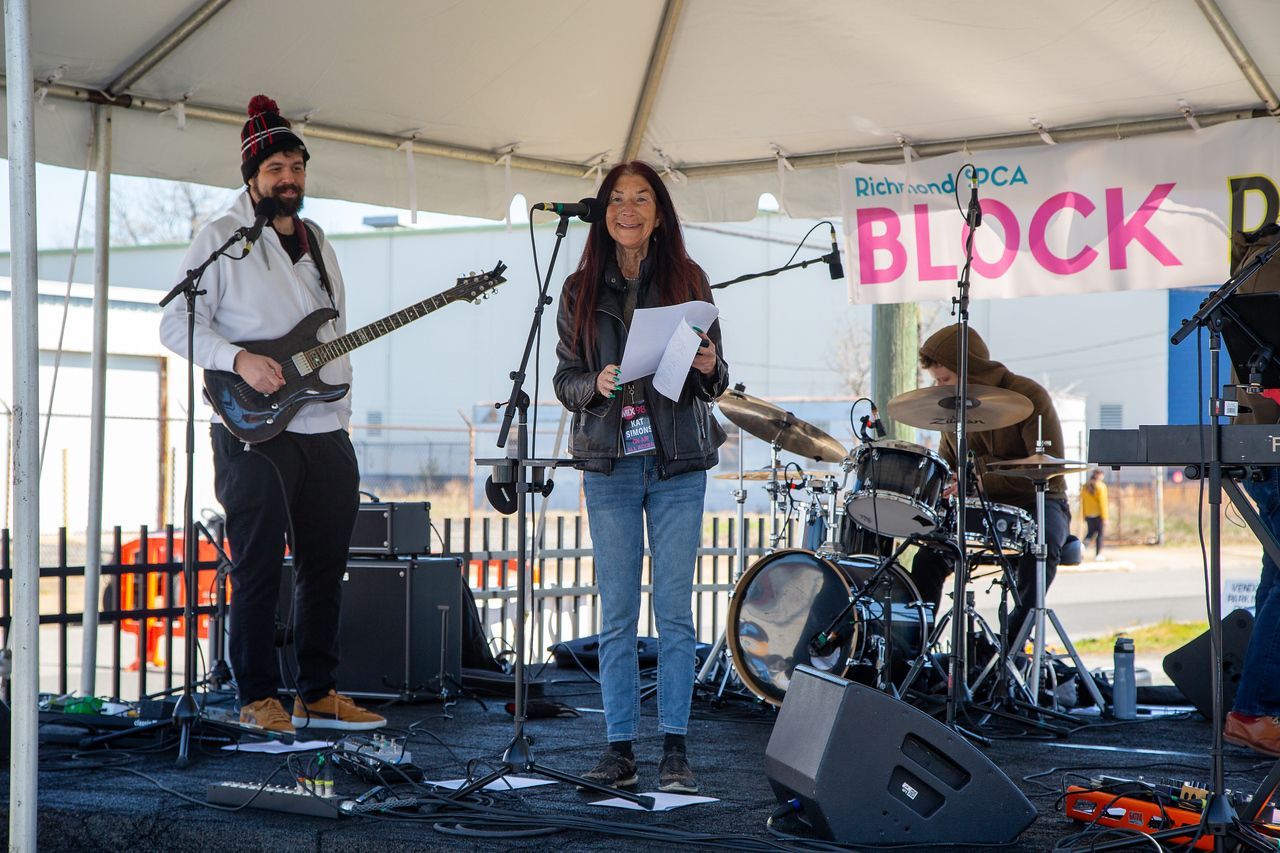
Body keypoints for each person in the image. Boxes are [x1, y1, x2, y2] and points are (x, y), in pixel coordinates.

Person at [159, 94, 384, 735]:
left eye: (296, 168)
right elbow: (176, 323)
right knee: (257, 562)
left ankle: (318, 689)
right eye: (275, 169)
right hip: (249, 426)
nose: (288, 180)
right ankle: (257, 695)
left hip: (323, 426)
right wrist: (238, 359)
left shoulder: (319, 243)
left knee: (324, 565)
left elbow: (330, 330)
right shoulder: (220, 238)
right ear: (252, 176)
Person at [553, 161, 729, 794]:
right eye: (617, 200)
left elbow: (715, 378)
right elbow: (565, 380)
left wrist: (709, 364)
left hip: (677, 461)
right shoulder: (577, 288)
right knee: (619, 612)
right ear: (604, 212)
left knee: (675, 613)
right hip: (610, 465)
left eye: (642, 199)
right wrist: (594, 385)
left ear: (659, 211)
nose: (628, 209)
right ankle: (619, 747)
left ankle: (675, 750)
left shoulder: (689, 278)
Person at [908, 326, 1071, 641]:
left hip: (1038, 501)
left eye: (945, 380)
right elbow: (949, 466)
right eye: (936, 381)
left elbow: (1048, 466)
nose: (938, 388)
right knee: (927, 557)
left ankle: (1010, 650)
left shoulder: (1029, 395)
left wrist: (985, 480)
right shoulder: (950, 410)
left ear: (971, 372)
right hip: (977, 510)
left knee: (1043, 546)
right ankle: (915, 650)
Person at [1222, 224, 1280, 755]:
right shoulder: (1272, 266)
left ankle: (1257, 709)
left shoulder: (1256, 262)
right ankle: (1255, 710)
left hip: (1261, 435)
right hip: (1273, 433)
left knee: (1275, 573)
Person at [1080, 469, 1109, 560]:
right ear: (1099, 475)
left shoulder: (1085, 487)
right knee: (1100, 534)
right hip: (1098, 514)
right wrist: (1105, 517)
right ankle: (1098, 554)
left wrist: (1084, 514)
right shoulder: (1101, 486)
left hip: (1089, 514)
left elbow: (1083, 502)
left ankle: (1081, 548)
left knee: (1090, 533)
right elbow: (1103, 503)